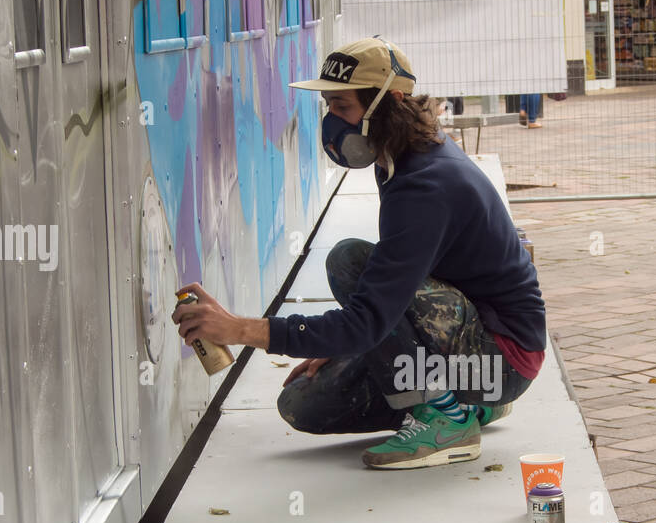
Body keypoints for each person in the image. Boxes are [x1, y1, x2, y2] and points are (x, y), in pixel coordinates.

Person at [171, 37, 547, 470]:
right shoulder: (400, 157)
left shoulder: (427, 185)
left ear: (390, 103)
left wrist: (239, 329)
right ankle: (471, 404)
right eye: (328, 106)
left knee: (349, 260)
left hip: (501, 359)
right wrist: (353, 343)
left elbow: (368, 318)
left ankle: (448, 418)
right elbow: (388, 297)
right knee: (303, 404)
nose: (331, 120)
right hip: (470, 344)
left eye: (342, 106)